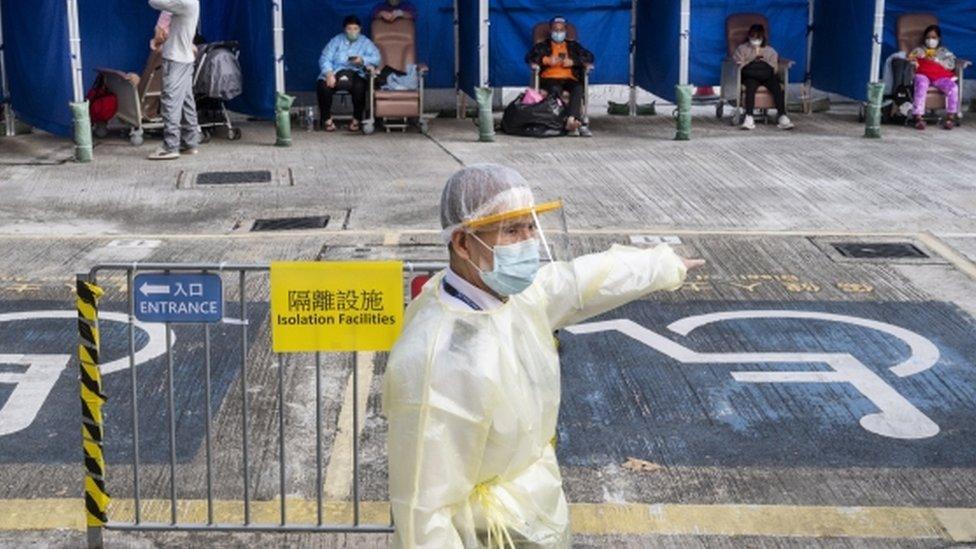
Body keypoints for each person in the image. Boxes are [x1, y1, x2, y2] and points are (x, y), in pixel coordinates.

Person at [383, 164, 704, 548]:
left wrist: (661, 265)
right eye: (511, 230)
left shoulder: (509, 299)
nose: (528, 243)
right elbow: (423, 510)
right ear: (463, 243)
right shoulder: (441, 356)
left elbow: (578, 282)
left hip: (532, 518)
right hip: (484, 534)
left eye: (531, 226)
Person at [147, 0, 201, 160]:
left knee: (170, 100)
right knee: (186, 101)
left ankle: (170, 147)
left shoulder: (184, 3)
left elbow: (154, 2)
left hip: (175, 58)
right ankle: (190, 143)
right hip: (185, 58)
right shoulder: (191, 2)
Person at [525, 17, 595, 137]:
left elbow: (589, 57)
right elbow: (529, 57)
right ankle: (565, 122)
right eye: (555, 30)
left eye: (561, 30)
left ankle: (572, 119)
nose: (558, 33)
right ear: (551, 31)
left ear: (565, 31)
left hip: (569, 78)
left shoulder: (573, 46)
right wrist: (546, 60)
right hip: (549, 78)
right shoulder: (543, 46)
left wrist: (573, 62)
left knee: (578, 88)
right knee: (555, 89)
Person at [317, 15, 381, 133]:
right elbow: (324, 58)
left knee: (360, 87)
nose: (352, 32)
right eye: (349, 29)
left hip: (355, 72)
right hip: (335, 71)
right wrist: (329, 73)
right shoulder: (336, 41)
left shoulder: (365, 42)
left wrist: (362, 60)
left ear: (360, 29)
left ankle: (356, 120)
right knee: (323, 86)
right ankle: (327, 120)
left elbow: (376, 58)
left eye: (355, 29)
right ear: (344, 29)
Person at [732, 24, 793, 131]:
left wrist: (763, 60)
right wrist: (751, 59)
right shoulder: (742, 49)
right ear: (749, 36)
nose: (755, 40)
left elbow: (774, 68)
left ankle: (782, 116)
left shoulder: (770, 50)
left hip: (767, 77)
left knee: (776, 87)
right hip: (751, 76)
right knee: (750, 87)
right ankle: (749, 116)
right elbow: (738, 64)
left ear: (762, 38)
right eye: (753, 37)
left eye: (757, 38)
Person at [909, 25, 959, 130]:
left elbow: (952, 64)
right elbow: (909, 60)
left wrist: (938, 61)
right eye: (928, 37)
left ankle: (950, 118)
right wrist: (916, 61)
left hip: (939, 77)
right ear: (924, 39)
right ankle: (918, 118)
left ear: (938, 39)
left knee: (953, 87)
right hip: (924, 76)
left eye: (933, 38)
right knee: (921, 84)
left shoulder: (944, 52)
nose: (930, 40)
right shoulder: (919, 50)